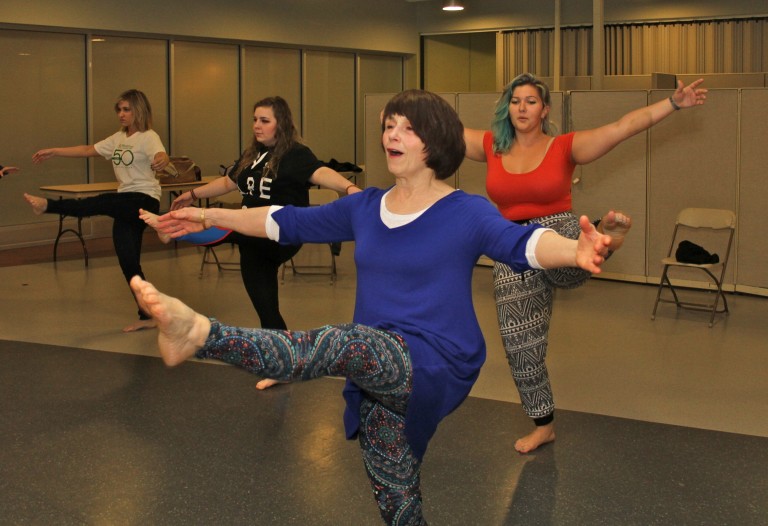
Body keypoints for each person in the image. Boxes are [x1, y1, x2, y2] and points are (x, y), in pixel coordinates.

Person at [135, 89, 613, 524]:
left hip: (436, 357)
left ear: (436, 142)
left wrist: (574, 250)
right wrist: (203, 213)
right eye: (388, 126)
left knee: (342, 342)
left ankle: (200, 335)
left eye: (407, 127)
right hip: (374, 368)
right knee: (397, 499)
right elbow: (284, 221)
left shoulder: (466, 211)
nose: (393, 135)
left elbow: (524, 243)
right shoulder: (364, 208)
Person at [463, 73, 707, 453]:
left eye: (530, 101)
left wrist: (673, 103)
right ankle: (543, 425)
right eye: (515, 101)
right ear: (507, 107)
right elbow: (443, 130)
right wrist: (400, 116)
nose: (522, 108)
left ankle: (598, 239)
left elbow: (623, 127)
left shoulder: (564, 147)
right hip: (511, 245)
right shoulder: (492, 145)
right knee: (519, 344)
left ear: (544, 109)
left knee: (571, 256)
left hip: (560, 233)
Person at [159, 96, 360, 337]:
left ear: (281, 124)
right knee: (267, 311)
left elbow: (320, 172)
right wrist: (192, 194)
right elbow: (228, 182)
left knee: (228, 225)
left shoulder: (295, 154)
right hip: (250, 240)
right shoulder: (252, 154)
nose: (257, 125)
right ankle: (283, 359)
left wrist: (348, 188)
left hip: (280, 234)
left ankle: (173, 229)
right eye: (255, 119)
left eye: (264, 120)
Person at [23, 89, 171, 332]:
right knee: (128, 262)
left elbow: (160, 154)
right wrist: (54, 151)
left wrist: (162, 159)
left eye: (126, 109)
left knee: (99, 202)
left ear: (139, 110)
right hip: (125, 204)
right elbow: (86, 150)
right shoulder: (118, 138)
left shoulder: (148, 136)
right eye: (119, 110)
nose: (121, 114)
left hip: (143, 199)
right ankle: (148, 315)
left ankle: (48, 205)